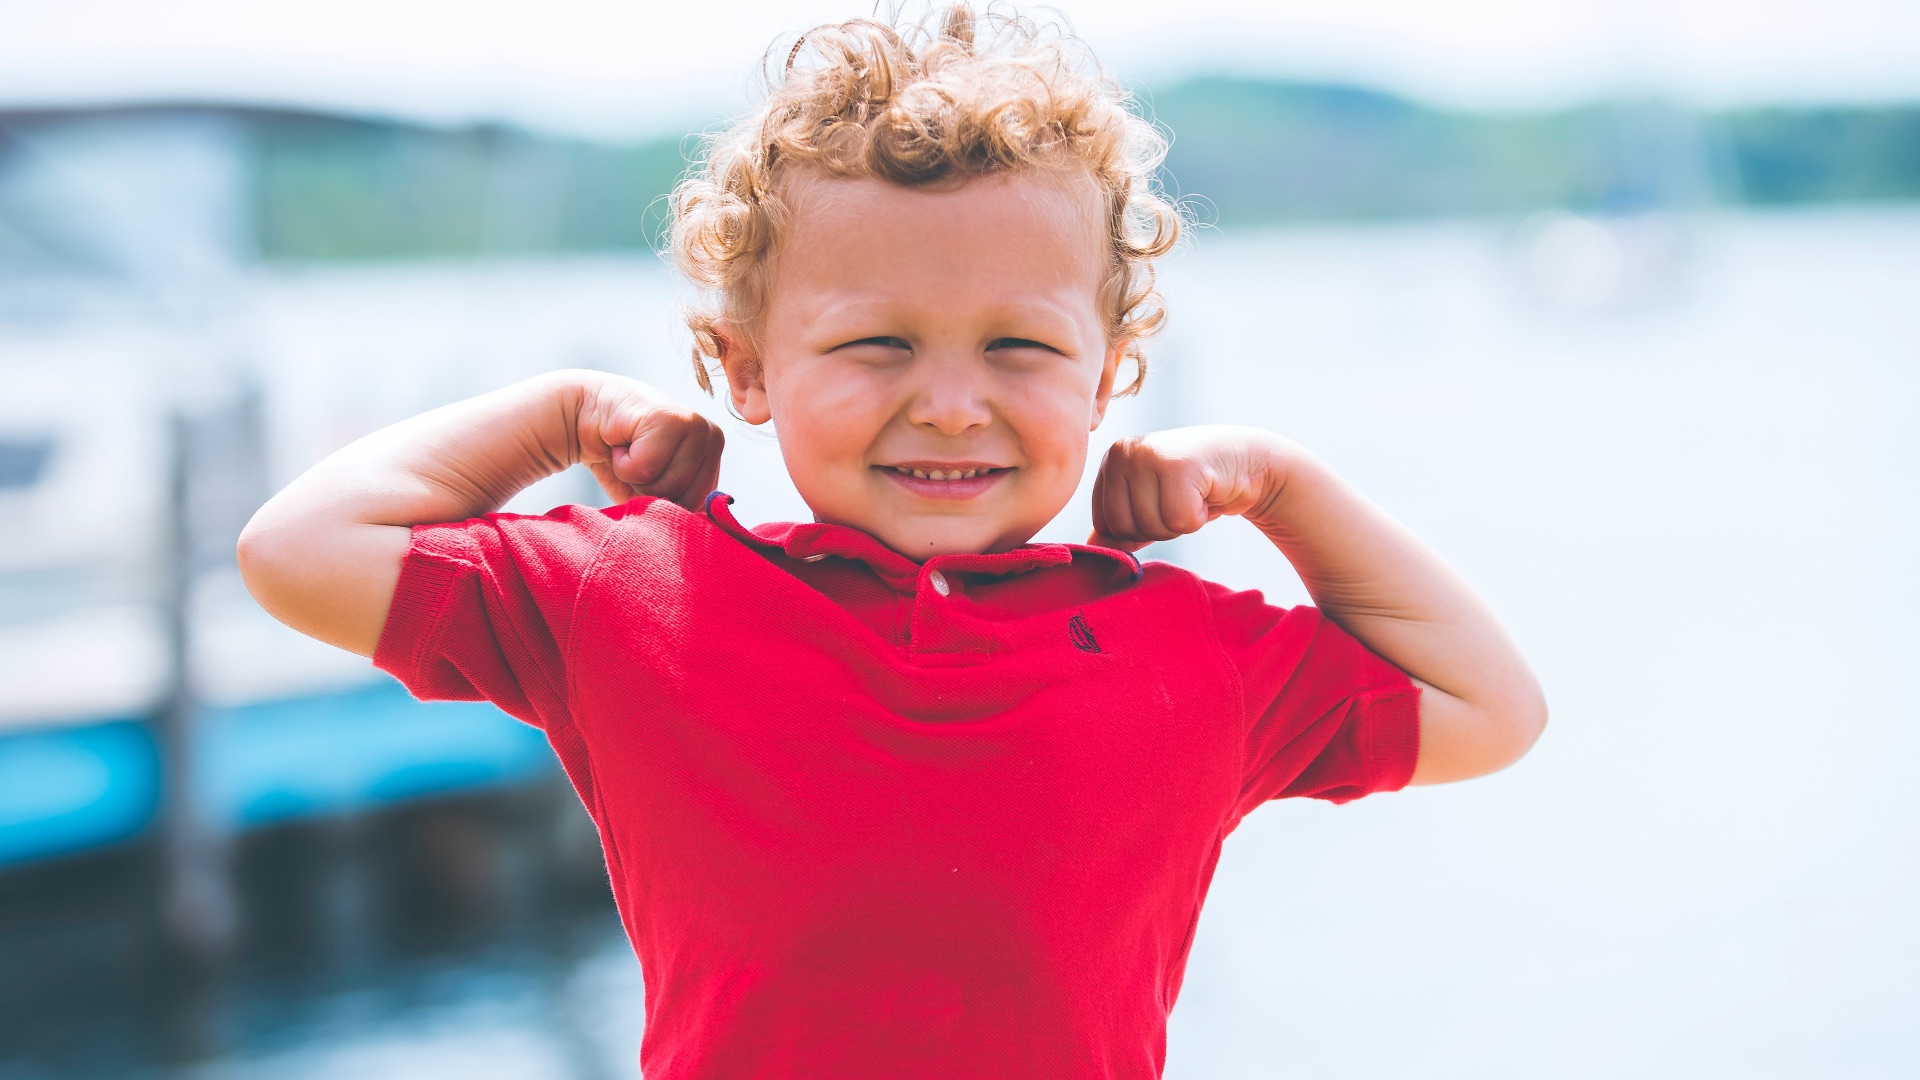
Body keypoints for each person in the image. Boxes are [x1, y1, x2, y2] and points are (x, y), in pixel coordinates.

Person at [237, 5, 1546, 1077]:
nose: (952, 400)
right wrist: (558, 411)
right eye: (878, 343)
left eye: (1020, 348)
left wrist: (1285, 485)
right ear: (745, 368)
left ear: (1108, 378)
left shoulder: (1188, 651)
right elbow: (298, 547)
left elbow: (1494, 709)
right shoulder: (639, 592)